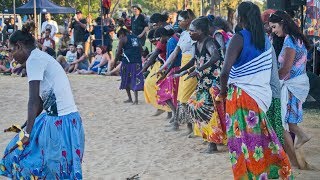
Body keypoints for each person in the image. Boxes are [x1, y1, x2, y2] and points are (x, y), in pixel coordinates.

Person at [0, 22, 84, 179]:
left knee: (51, 169)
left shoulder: (34, 60)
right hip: (62, 120)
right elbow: (40, 99)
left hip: (61, 122)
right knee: (22, 155)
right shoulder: (38, 56)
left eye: (11, 51)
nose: (11, 56)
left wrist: (28, 133)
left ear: (18, 46)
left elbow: (32, 100)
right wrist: (27, 124)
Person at [218, 2, 292, 179]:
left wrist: (221, 93)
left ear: (241, 17)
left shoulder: (239, 38)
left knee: (242, 143)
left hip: (241, 98)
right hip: (261, 97)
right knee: (258, 142)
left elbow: (224, 73)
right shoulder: (265, 41)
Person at [269, 10, 312, 169]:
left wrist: (270, 81)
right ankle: (301, 137)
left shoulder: (289, 41)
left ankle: (301, 137)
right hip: (296, 83)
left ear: (283, 23)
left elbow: (285, 69)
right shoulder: (296, 38)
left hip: (292, 85)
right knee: (288, 119)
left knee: (284, 120)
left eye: (274, 27)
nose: (273, 31)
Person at [180, 17, 226, 153]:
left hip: (212, 83)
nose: (190, 33)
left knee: (209, 112)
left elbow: (215, 56)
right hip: (203, 82)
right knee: (194, 106)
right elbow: (195, 61)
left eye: (192, 30)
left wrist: (198, 70)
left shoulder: (209, 41)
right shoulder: (197, 43)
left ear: (201, 31)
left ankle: (212, 144)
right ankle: (209, 139)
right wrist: (181, 71)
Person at [157, 9, 196, 133]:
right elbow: (175, 52)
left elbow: (195, 55)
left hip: (190, 67)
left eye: (181, 20)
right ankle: (189, 128)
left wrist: (186, 70)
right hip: (184, 66)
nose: (178, 23)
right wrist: (163, 67)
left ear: (188, 20)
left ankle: (190, 127)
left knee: (185, 99)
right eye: (178, 20)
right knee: (181, 99)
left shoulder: (194, 34)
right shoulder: (184, 34)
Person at [154, 26, 181, 123]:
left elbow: (172, 59)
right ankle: (175, 115)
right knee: (173, 95)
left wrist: (165, 73)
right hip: (175, 69)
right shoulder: (175, 38)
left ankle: (175, 116)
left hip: (174, 70)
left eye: (159, 39)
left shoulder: (171, 41)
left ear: (162, 36)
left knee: (166, 93)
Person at [115, 28, 144, 104]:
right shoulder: (135, 37)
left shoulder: (123, 39)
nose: (119, 39)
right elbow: (141, 49)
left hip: (127, 62)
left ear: (121, 34)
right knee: (135, 79)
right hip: (137, 61)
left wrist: (115, 61)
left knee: (126, 79)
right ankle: (136, 100)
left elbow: (118, 52)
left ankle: (130, 98)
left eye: (119, 37)